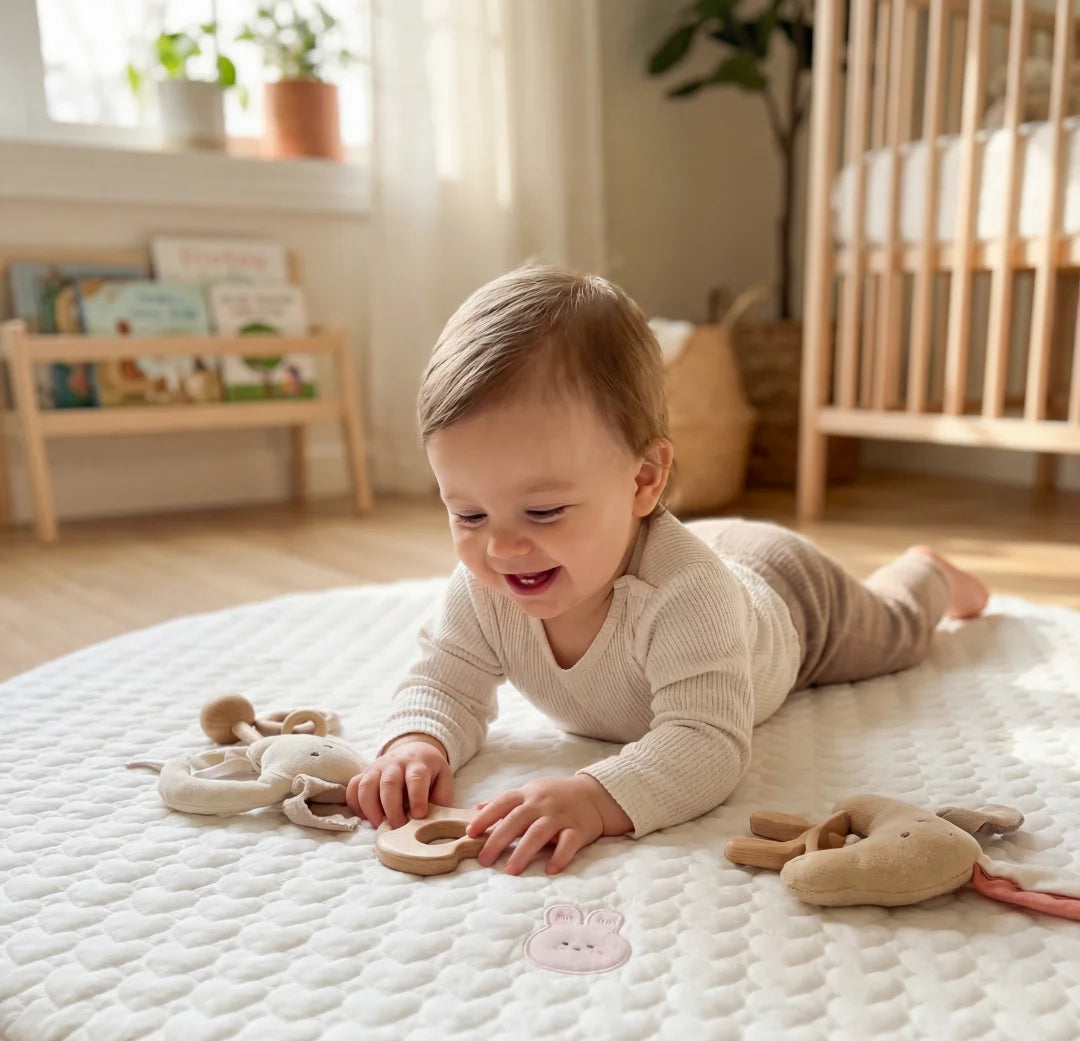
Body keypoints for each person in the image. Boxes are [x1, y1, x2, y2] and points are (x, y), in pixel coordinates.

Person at [345, 266, 988, 876]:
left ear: (643, 480)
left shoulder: (686, 595)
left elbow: (707, 740)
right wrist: (416, 743)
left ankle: (926, 571)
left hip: (794, 600)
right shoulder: (483, 587)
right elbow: (446, 683)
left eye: (543, 512)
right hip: (691, 549)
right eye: (469, 514)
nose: (503, 548)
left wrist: (596, 796)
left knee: (899, 632)